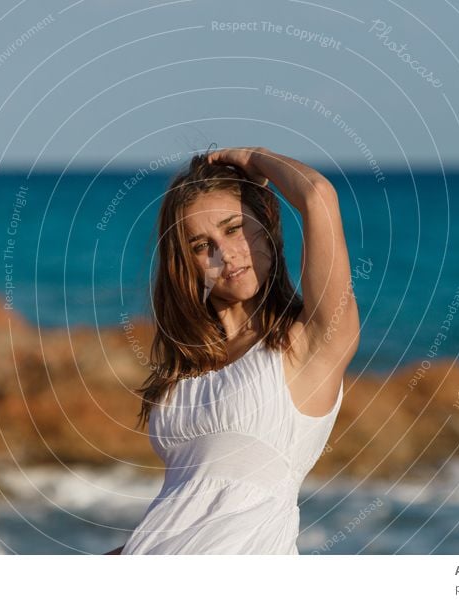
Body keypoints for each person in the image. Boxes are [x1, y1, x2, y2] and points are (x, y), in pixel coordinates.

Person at [105, 146, 360, 554]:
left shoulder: (307, 344)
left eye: (234, 227)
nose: (225, 254)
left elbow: (317, 195)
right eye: (201, 245)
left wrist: (252, 158)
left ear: (267, 225)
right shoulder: (184, 370)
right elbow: (181, 512)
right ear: (184, 263)